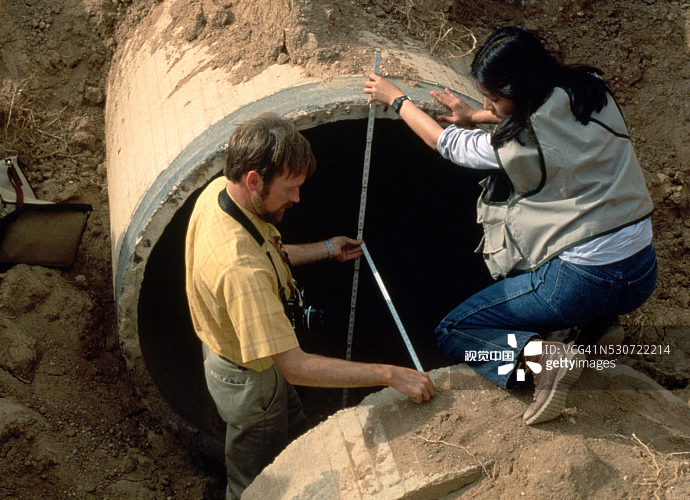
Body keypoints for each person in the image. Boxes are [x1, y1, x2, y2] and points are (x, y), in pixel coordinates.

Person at [363, 26, 656, 426]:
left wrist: (396, 99)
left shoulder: (518, 144)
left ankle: (544, 363)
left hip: (582, 281)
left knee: (456, 330)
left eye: (495, 98)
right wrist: (478, 115)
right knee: (577, 257)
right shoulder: (590, 87)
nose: (488, 104)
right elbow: (540, 113)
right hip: (640, 270)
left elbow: (446, 144)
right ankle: (597, 331)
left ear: (519, 89)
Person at [185, 112, 435, 499]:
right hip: (252, 380)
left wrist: (327, 249)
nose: (298, 198)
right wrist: (390, 375)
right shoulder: (239, 272)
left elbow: (267, 251)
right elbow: (295, 367)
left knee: (292, 432)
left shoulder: (222, 192)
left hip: (243, 359)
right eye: (290, 188)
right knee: (258, 479)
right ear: (254, 180)